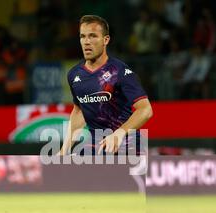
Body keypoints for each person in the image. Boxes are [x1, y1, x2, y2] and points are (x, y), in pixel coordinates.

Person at [60, 15, 153, 156]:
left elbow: (145, 109)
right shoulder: (74, 75)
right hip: (97, 147)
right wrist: (64, 150)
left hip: (128, 147)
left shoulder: (120, 70)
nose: (86, 42)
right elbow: (79, 112)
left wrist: (119, 133)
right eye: (83, 37)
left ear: (106, 40)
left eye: (92, 36)